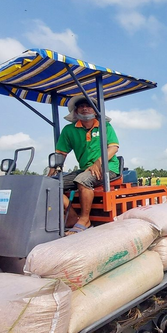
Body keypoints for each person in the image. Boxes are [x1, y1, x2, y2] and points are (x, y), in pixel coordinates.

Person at [47, 95, 120, 234]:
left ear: (95, 110)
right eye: (81, 106)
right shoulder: (69, 130)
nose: (85, 108)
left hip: (108, 168)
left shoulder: (105, 126)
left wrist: (98, 164)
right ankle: (73, 217)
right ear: (76, 112)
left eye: (88, 106)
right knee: (50, 184)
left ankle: (85, 220)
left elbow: (113, 147)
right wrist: (53, 168)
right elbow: (61, 153)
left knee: (83, 180)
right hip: (85, 169)